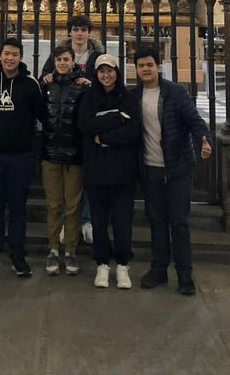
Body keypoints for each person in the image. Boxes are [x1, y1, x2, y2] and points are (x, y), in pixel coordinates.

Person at [132, 46, 212, 296]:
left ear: (159, 66)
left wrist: (204, 140)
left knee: (178, 222)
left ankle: (185, 274)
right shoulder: (133, 95)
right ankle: (158, 269)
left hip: (177, 169)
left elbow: (195, 121)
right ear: (136, 69)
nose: (145, 69)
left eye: (149, 64)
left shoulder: (175, 92)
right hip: (150, 169)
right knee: (156, 221)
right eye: (141, 65)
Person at [0, 37, 44, 277]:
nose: (10, 58)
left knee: (18, 207)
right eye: (6, 53)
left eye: (14, 54)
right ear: (0, 55)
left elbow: (42, 115)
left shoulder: (30, 85)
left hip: (21, 156)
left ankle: (18, 254)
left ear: (21, 57)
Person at [78, 54, 142, 289]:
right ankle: (102, 264)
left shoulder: (128, 97)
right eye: (101, 71)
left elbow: (133, 130)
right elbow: (85, 126)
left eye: (110, 70)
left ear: (117, 71)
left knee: (123, 221)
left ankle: (123, 264)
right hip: (96, 171)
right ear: (96, 74)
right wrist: (116, 119)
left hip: (123, 171)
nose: (106, 75)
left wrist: (104, 135)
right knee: (98, 220)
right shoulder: (89, 97)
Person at [41, 14, 103, 244]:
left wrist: (91, 84)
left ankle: (84, 220)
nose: (79, 33)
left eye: (83, 29)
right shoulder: (59, 54)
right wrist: (46, 77)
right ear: (70, 32)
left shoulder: (96, 55)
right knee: (67, 186)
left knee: (87, 175)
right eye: (75, 29)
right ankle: (68, 228)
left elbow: (107, 80)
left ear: (89, 32)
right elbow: (45, 78)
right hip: (63, 127)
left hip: (87, 122)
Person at [39, 44, 89, 276]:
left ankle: (70, 250)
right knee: (53, 205)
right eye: (58, 59)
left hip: (74, 155)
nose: (62, 63)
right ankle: (53, 249)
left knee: (72, 206)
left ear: (73, 62)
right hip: (50, 153)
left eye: (66, 59)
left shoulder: (83, 87)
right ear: (54, 62)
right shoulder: (45, 85)